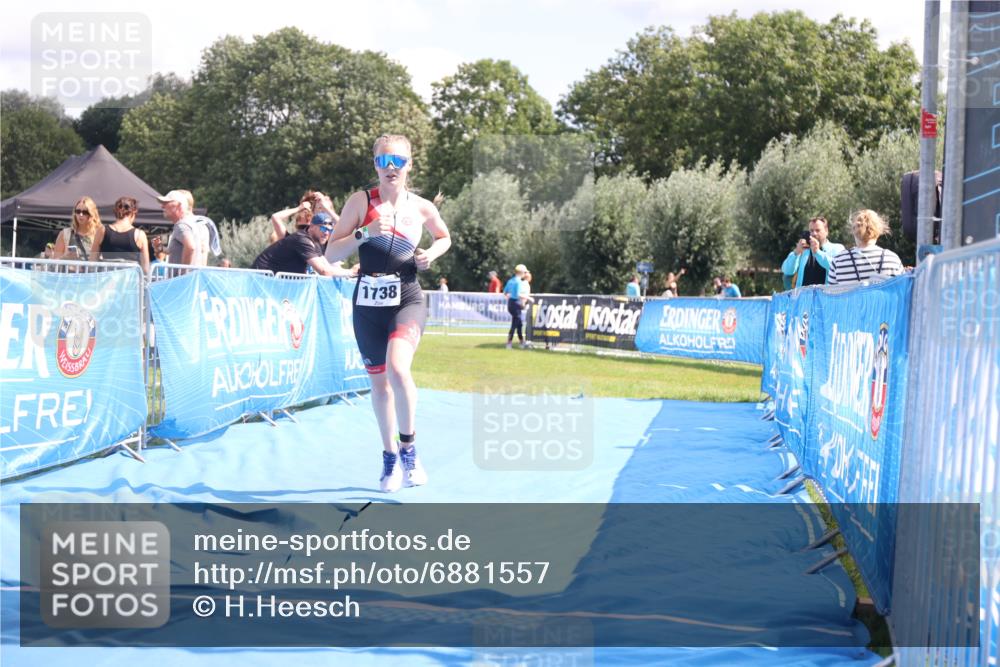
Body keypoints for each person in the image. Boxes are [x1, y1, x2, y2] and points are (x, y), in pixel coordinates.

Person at [323, 133, 451, 493]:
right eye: (383, 161)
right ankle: (390, 456)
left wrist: (432, 254)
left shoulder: (421, 206)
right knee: (378, 384)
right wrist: (364, 234)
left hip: (407, 297)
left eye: (398, 161)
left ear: (409, 164)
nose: (390, 168)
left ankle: (409, 448)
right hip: (367, 302)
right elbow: (331, 254)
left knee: (398, 368)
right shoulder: (360, 202)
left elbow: (444, 236)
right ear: (374, 164)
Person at [251, 212, 356, 276]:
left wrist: (350, 273)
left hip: (272, 280)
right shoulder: (302, 240)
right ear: (312, 227)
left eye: (330, 230)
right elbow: (324, 271)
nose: (326, 233)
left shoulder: (314, 242)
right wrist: (351, 272)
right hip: (261, 278)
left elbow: (326, 266)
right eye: (323, 228)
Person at [828, 210, 905, 286]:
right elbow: (902, 291)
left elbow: (831, 296)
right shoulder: (892, 259)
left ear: (854, 230)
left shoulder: (838, 261)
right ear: (878, 231)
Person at [781, 216, 845, 287]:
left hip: (825, 296)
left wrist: (817, 252)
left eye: (818, 230)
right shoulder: (803, 249)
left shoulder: (837, 248)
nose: (814, 234)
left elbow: (837, 269)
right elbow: (787, 271)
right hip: (803, 296)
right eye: (811, 231)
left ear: (826, 231)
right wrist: (796, 252)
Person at [102, 196, 151, 275]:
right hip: (130, 283)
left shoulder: (102, 230)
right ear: (133, 212)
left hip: (107, 282)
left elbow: (92, 262)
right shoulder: (140, 235)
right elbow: (145, 267)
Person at [158, 189, 205, 265]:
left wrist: (183, 273)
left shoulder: (181, 225)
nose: (162, 206)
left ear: (179, 206)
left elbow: (190, 247)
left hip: (183, 277)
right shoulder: (188, 224)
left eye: (166, 203)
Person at [53, 196, 105, 261]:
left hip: (93, 271)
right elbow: (54, 264)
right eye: (78, 211)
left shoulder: (99, 234)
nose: (80, 215)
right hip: (70, 270)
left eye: (85, 212)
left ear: (92, 214)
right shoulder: (65, 234)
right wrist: (65, 257)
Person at [504, 264, 528, 349]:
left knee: (519, 324)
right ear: (521, 272)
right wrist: (528, 298)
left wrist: (509, 297)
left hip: (510, 304)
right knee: (515, 324)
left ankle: (521, 342)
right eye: (524, 272)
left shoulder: (510, 281)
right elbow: (518, 295)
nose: (525, 274)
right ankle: (509, 343)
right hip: (516, 304)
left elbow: (505, 292)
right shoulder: (518, 282)